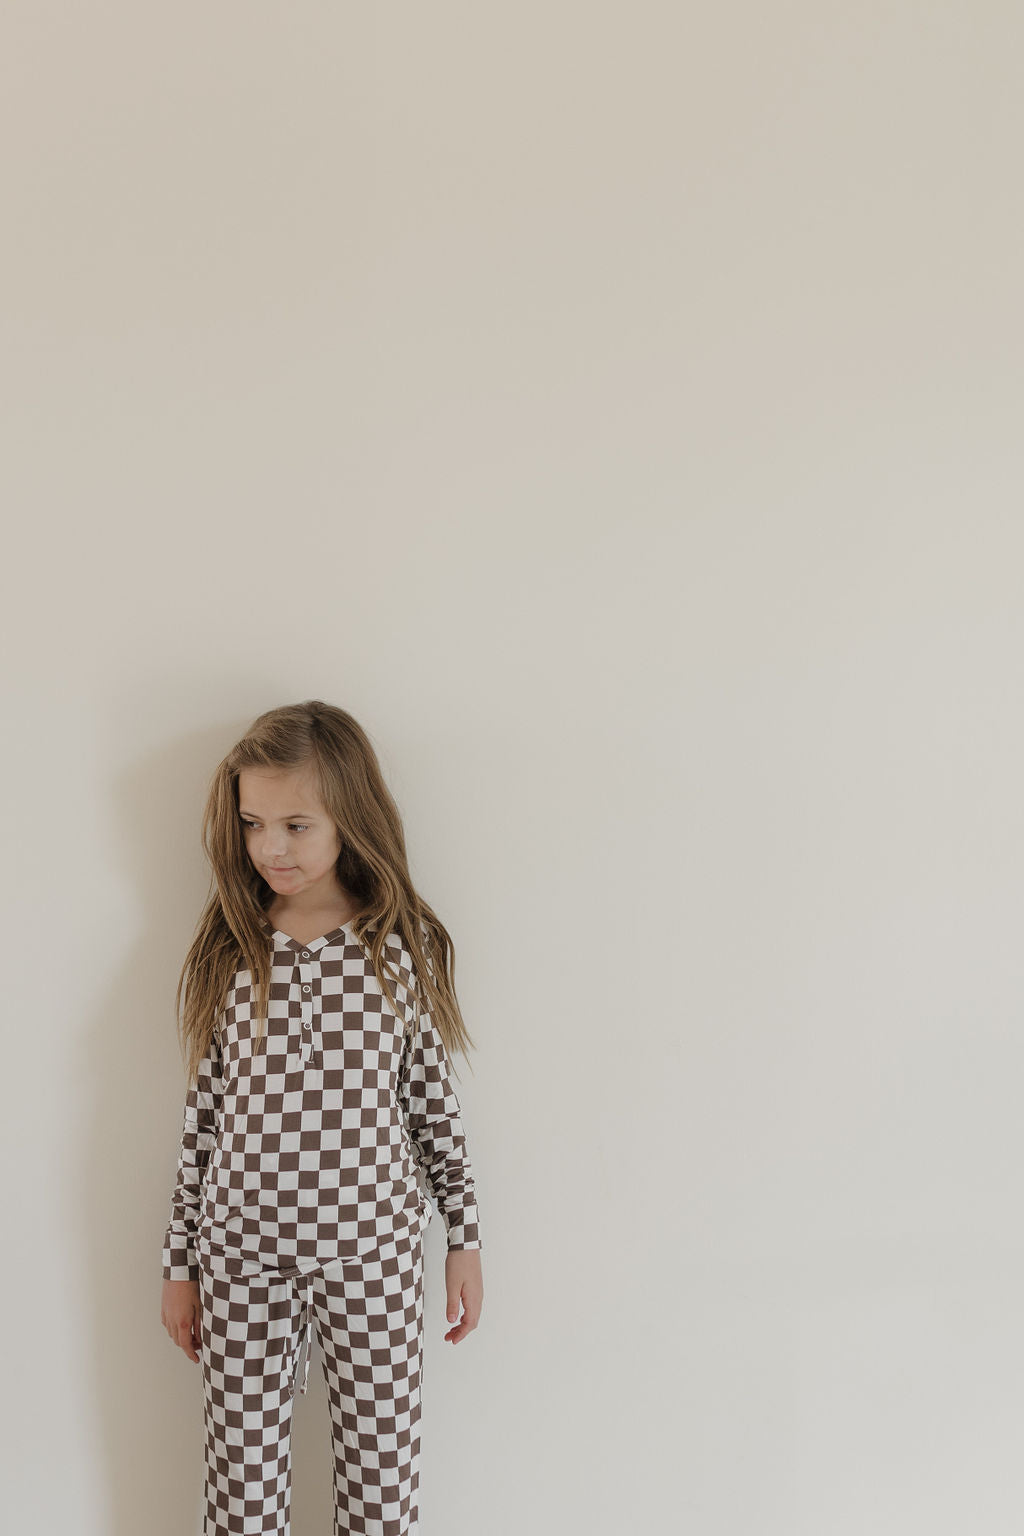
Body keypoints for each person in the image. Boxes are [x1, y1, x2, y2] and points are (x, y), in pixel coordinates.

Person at [159, 699, 484, 1536]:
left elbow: (431, 1107)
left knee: (383, 1488)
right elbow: (204, 1117)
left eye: (296, 824)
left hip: (370, 1252)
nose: (270, 847)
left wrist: (464, 1237)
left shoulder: (396, 948)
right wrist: (180, 1261)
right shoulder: (234, 946)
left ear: (349, 817)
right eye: (254, 823)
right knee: (242, 1491)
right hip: (242, 1257)